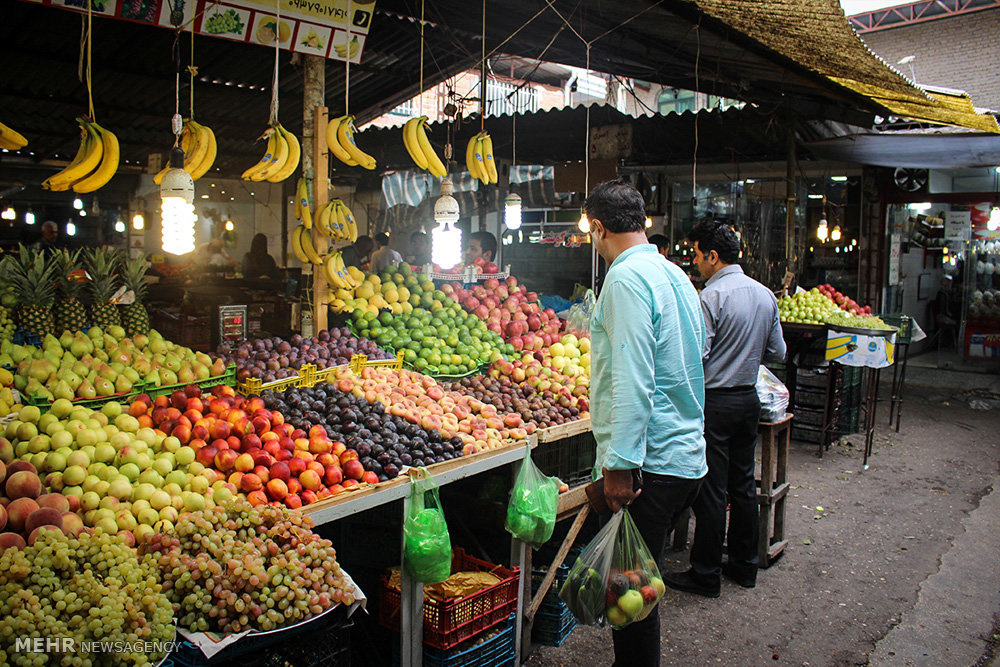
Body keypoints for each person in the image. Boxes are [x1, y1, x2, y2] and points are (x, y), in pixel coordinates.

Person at [585, 179, 707, 667]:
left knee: (630, 600)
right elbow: (696, 358)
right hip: (684, 457)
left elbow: (635, 377)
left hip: (648, 467)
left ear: (597, 228)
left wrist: (619, 464)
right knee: (637, 593)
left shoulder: (624, 278)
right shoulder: (673, 273)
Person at [664, 221, 786, 598]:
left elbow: (697, 353)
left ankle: (706, 574)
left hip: (715, 402)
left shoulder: (710, 298)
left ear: (713, 257)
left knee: (713, 491)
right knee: (743, 485)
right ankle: (745, 567)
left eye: (697, 255)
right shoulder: (765, 295)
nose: (695, 263)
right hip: (749, 400)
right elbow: (778, 353)